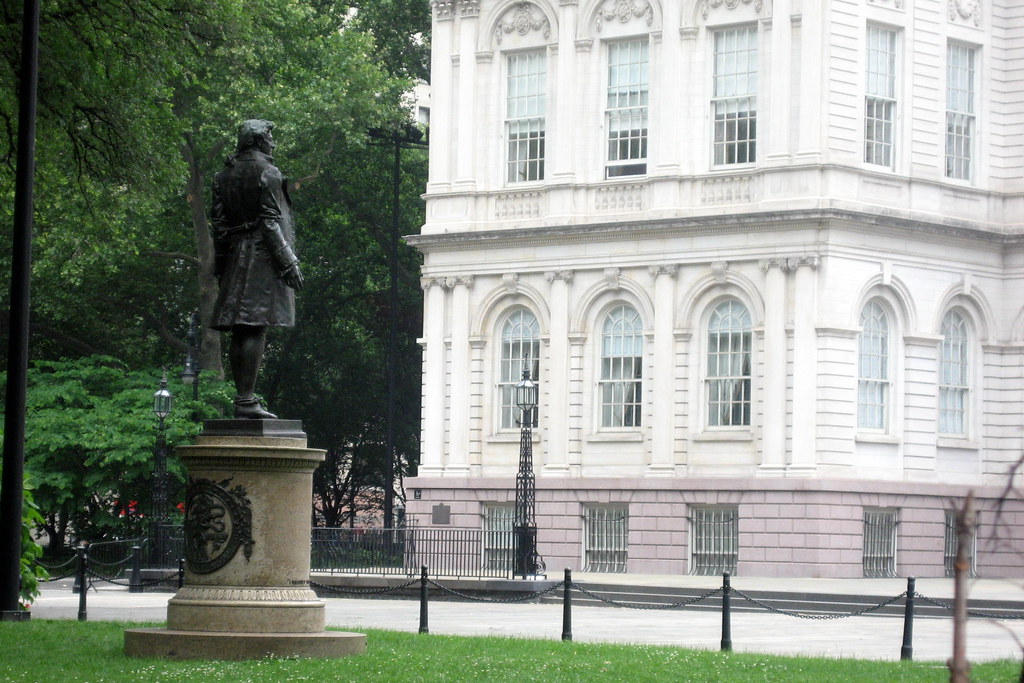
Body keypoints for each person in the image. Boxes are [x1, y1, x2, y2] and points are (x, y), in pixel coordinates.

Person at [210, 120, 303, 419]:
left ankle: (244, 399)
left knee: (242, 328)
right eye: (270, 138)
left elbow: (220, 227)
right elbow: (270, 220)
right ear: (259, 140)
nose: (273, 144)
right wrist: (288, 261)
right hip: (261, 256)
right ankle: (246, 401)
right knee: (254, 326)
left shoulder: (222, 176)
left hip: (236, 256)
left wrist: (222, 267)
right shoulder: (269, 173)